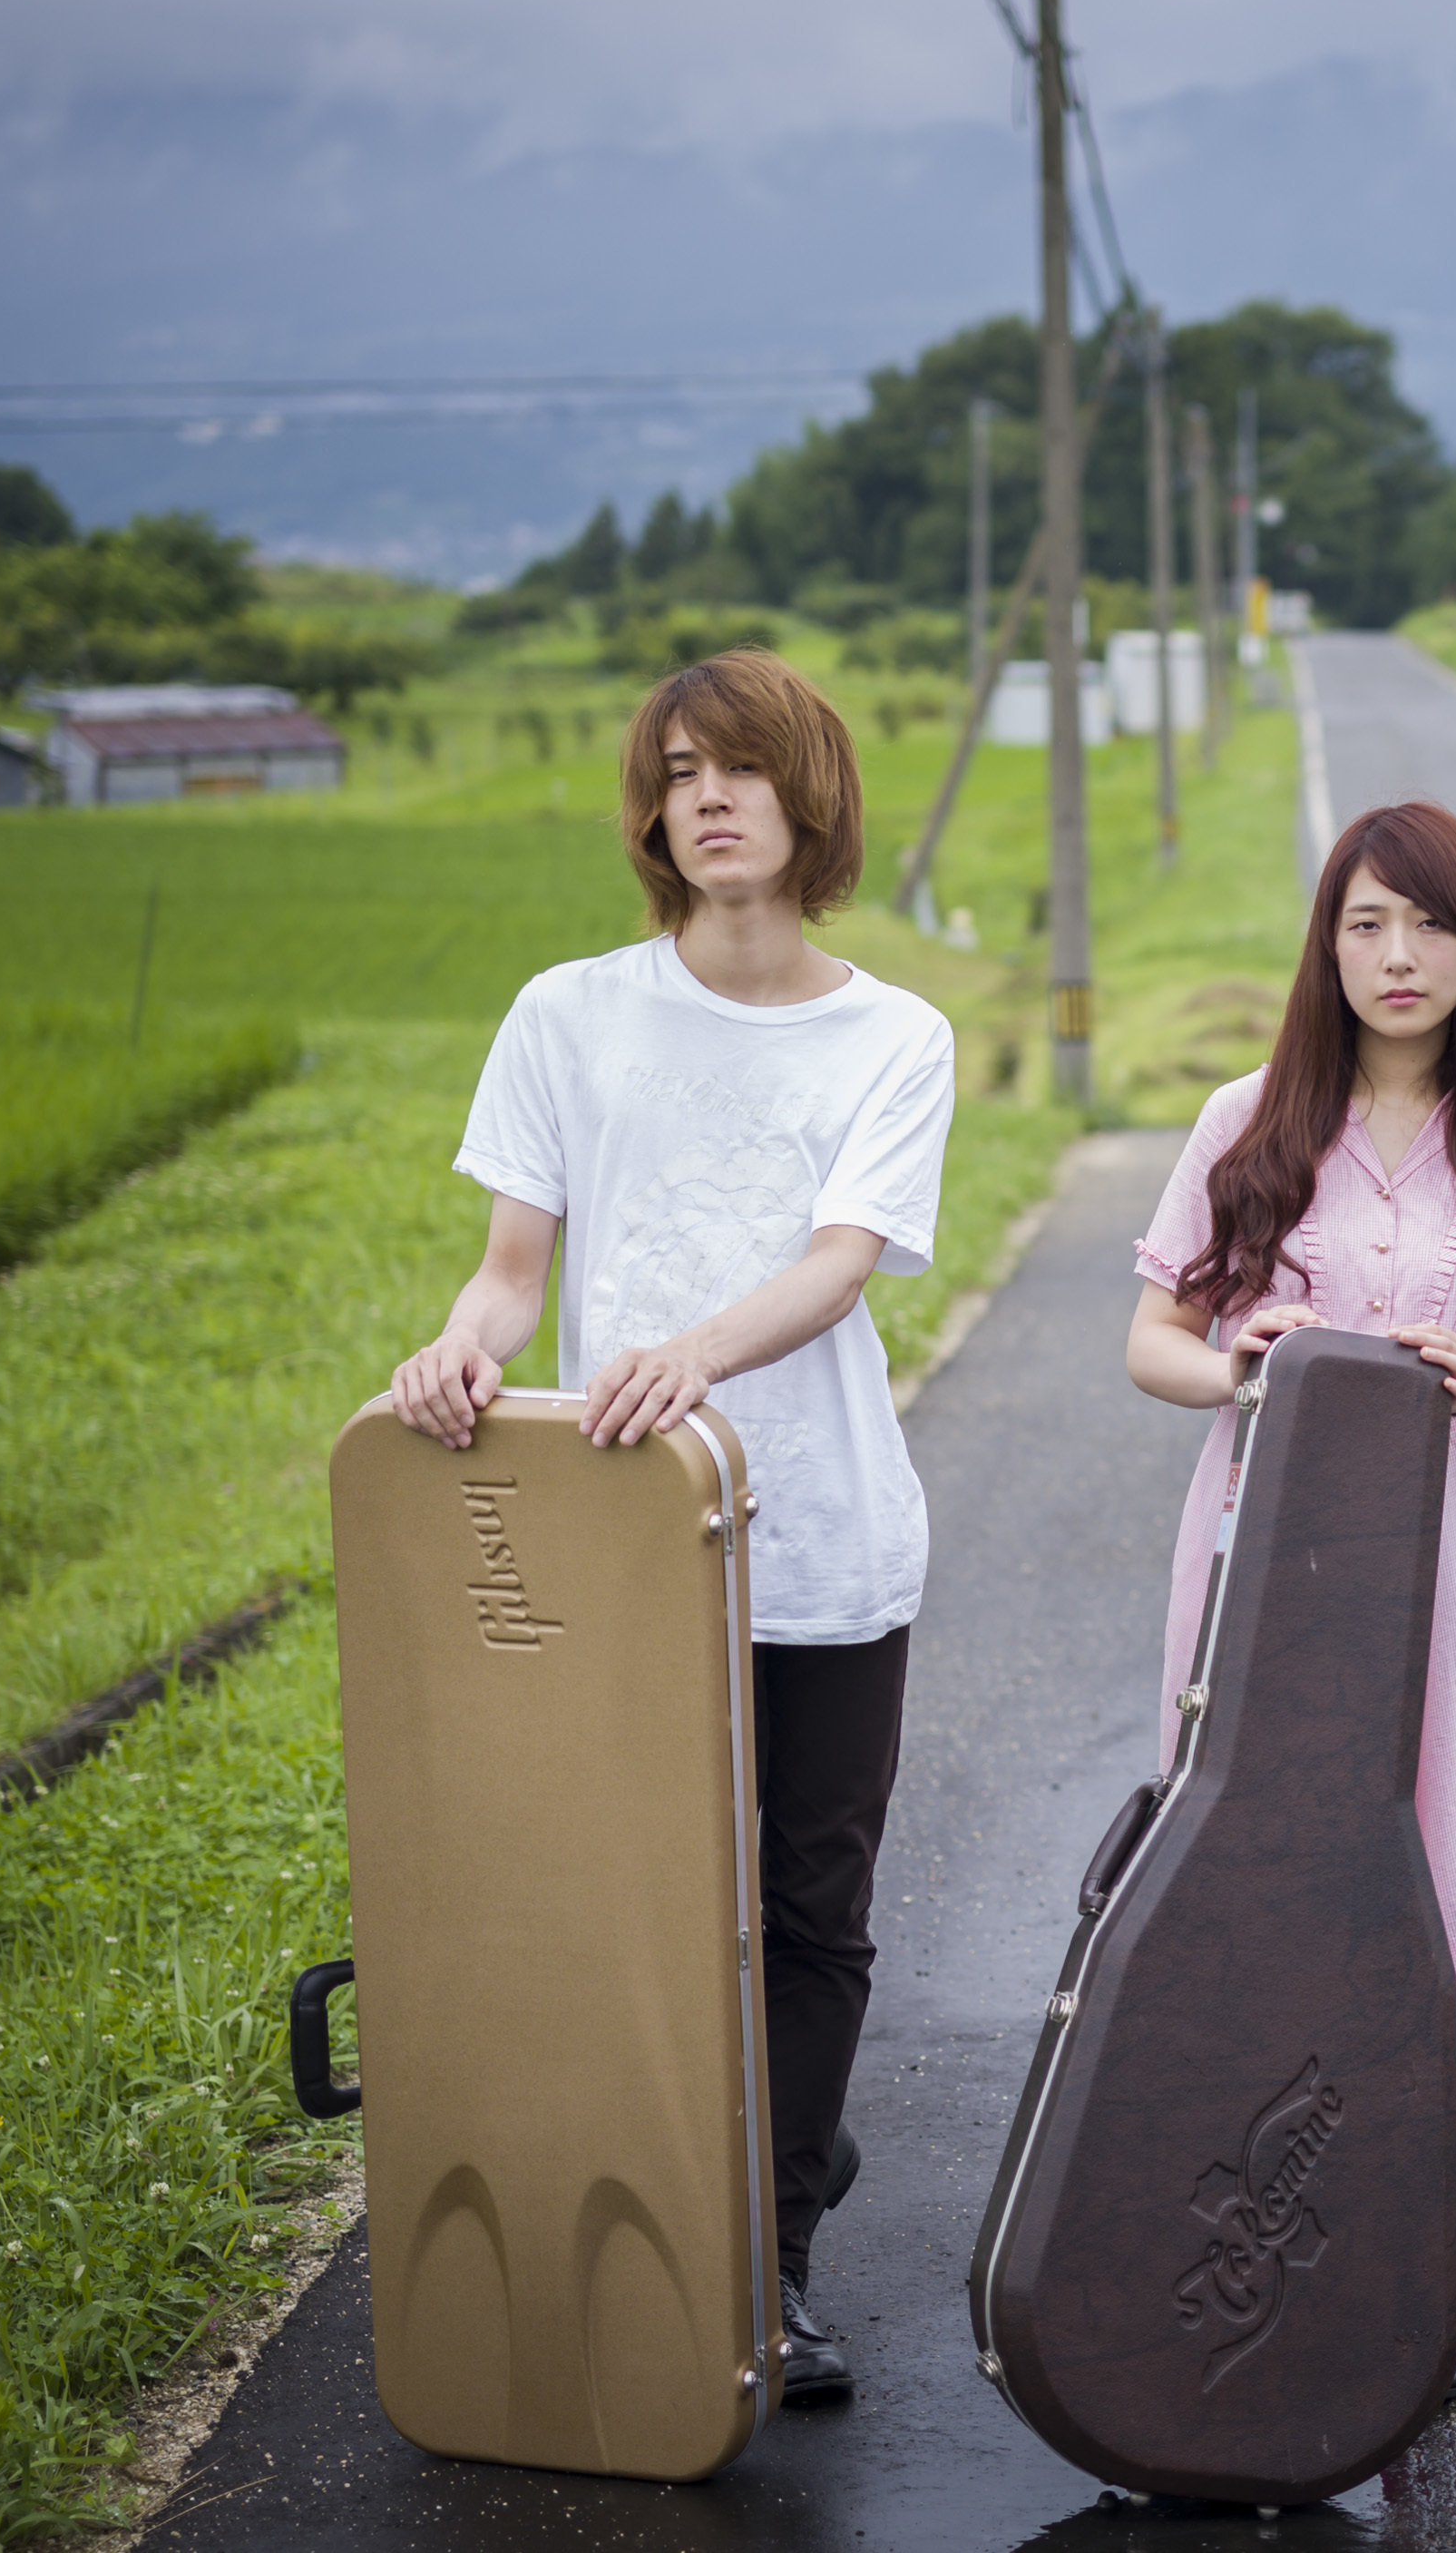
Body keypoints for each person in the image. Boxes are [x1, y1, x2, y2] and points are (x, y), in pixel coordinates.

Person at [388, 647, 956, 2405]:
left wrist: (694, 1354)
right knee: (632, 1907)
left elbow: (841, 1262)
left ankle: (768, 2265)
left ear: (812, 798)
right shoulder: (570, 1012)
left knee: (808, 1911)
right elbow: (508, 1278)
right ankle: (681, 2193)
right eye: (679, 771)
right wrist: (453, 1360)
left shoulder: (896, 1036)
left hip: (825, 1544)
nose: (706, 796)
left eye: (741, 768)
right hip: (620, 1552)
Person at [1124, 797, 1456, 2397]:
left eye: (1427, 926)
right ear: (1326, 945)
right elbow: (1149, 1343)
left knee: (1450, 1898)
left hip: (1445, 1564)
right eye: (1364, 925)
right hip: (1255, 1567)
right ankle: (1252, 2257)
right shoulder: (1250, 1118)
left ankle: (1419, 2277)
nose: (1395, 957)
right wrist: (1230, 1357)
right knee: (1248, 1894)